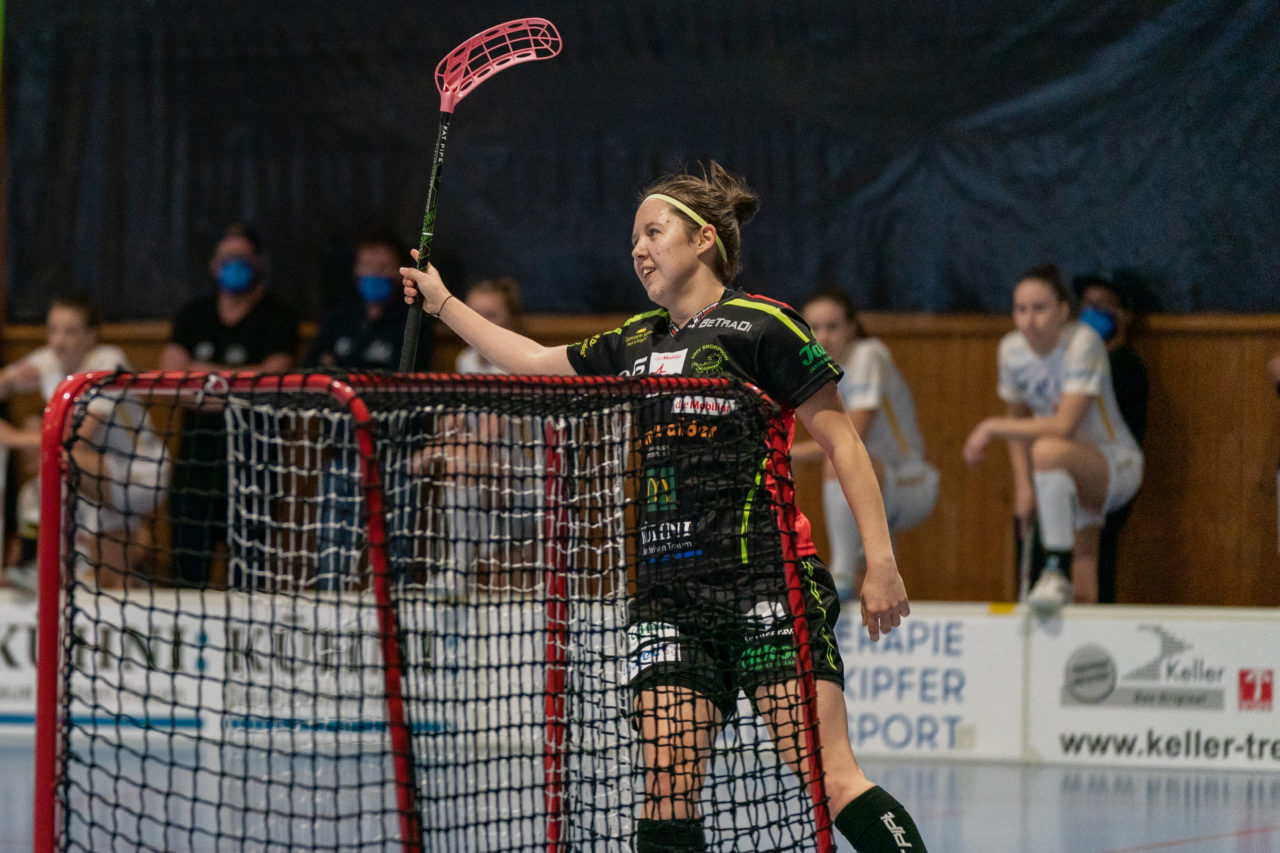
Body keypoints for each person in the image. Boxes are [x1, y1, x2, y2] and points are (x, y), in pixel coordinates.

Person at [400, 162, 926, 852]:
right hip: (670, 595)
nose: (639, 248)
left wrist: (881, 562)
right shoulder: (635, 341)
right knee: (666, 785)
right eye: (633, 239)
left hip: (769, 582)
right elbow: (529, 356)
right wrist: (441, 303)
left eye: (654, 231)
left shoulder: (763, 325)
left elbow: (845, 446)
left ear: (705, 239)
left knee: (828, 776)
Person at [963, 264, 1143, 609]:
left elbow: (1063, 426)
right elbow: (1017, 419)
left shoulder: (1082, 343)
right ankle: (1075, 645)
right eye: (1021, 309)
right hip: (1066, 465)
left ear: (1063, 311)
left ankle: (1054, 569)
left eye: (1040, 308)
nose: (1029, 320)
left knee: (1046, 449)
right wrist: (1023, 486)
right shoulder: (1012, 351)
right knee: (1086, 566)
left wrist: (989, 427)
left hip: (1115, 462)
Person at [160, 223, 299, 586]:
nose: (233, 266)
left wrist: (202, 376)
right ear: (213, 264)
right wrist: (238, 382)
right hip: (195, 469)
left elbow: (271, 384)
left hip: (253, 469)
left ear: (259, 263)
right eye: (226, 259)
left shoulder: (278, 317)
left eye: (241, 258)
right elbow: (174, 383)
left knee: (250, 580)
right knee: (186, 579)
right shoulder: (193, 315)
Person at [0, 293, 169, 588]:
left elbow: (77, 440)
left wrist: (13, 438)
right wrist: (11, 382)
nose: (58, 340)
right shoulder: (49, 360)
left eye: (70, 331)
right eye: (52, 329)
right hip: (96, 474)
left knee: (56, 460)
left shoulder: (107, 362)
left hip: (139, 474)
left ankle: (41, 561)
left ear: (91, 335)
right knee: (112, 580)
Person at [793, 288, 939, 603]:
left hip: (910, 481)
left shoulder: (868, 355)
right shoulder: (811, 371)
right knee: (872, 581)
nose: (823, 337)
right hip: (870, 482)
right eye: (813, 328)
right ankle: (867, 621)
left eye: (832, 327)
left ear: (851, 328)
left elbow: (849, 437)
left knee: (840, 461)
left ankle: (841, 572)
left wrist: (783, 454)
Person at [1073, 273, 1148, 602]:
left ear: (1124, 315)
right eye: (1088, 305)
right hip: (1077, 469)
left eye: (1104, 306)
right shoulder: (1078, 360)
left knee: (1097, 557)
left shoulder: (1124, 364)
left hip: (1110, 473)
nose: (1094, 313)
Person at [304, 230, 418, 371]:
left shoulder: (413, 320)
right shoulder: (339, 316)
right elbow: (311, 365)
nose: (374, 273)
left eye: (383, 267)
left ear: (401, 273)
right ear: (356, 270)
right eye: (366, 266)